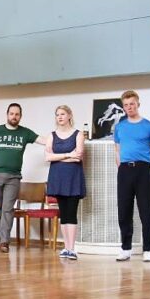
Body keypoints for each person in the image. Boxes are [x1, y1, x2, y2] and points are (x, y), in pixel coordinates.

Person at [0, 103, 38, 252]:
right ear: (7, 115)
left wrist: (62, 137)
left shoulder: (25, 133)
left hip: (14, 177)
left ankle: (5, 242)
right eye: (11, 114)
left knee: (8, 209)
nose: (14, 116)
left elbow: (43, 140)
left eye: (17, 114)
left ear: (20, 116)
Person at [113, 90, 150, 262]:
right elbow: (117, 150)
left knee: (145, 210)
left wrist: (142, 152)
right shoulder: (119, 127)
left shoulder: (149, 126)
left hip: (143, 170)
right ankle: (125, 248)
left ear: (138, 104)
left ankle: (148, 249)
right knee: (124, 210)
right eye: (126, 105)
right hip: (124, 170)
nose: (129, 107)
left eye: (132, 104)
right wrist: (121, 165)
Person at [38, 105, 85, 260]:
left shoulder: (78, 134)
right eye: (57, 114)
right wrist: (67, 155)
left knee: (71, 212)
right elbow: (47, 157)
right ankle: (66, 247)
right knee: (63, 214)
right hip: (57, 178)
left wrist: (58, 157)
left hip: (73, 178)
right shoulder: (52, 136)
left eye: (63, 114)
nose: (60, 117)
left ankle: (72, 249)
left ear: (69, 115)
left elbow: (78, 156)